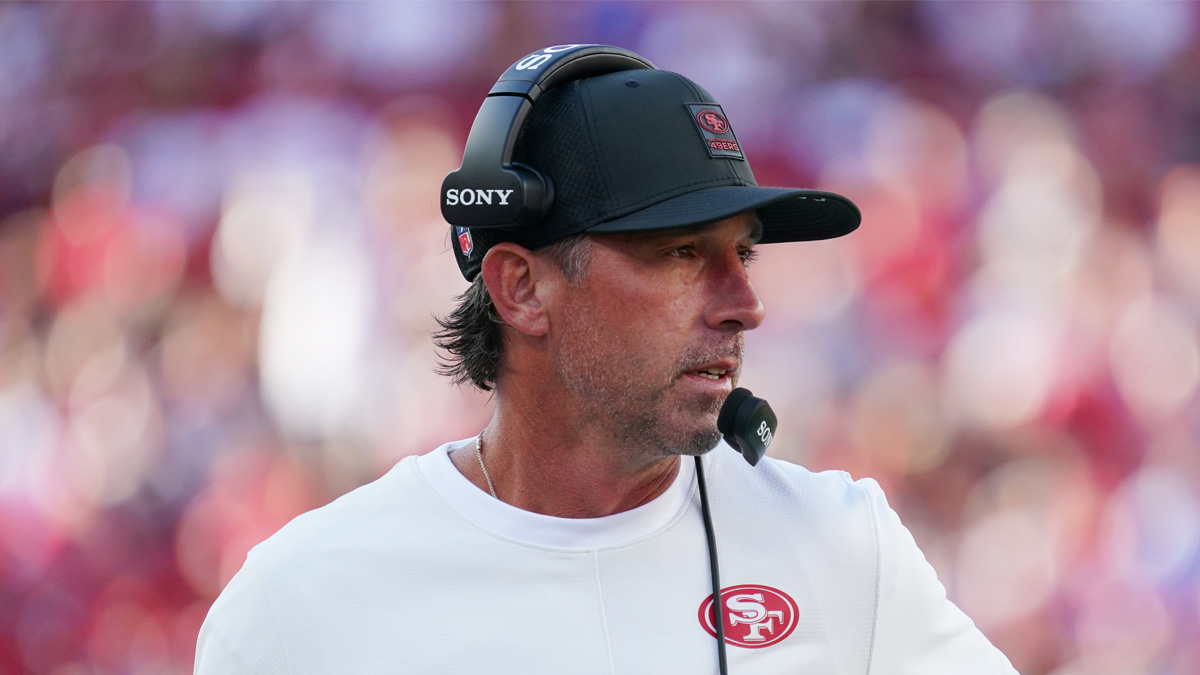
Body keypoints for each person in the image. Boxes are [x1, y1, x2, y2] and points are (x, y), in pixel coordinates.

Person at [195, 45, 1018, 674]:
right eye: (681, 254)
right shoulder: (300, 601)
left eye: (745, 255)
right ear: (521, 288)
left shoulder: (844, 545)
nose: (746, 303)